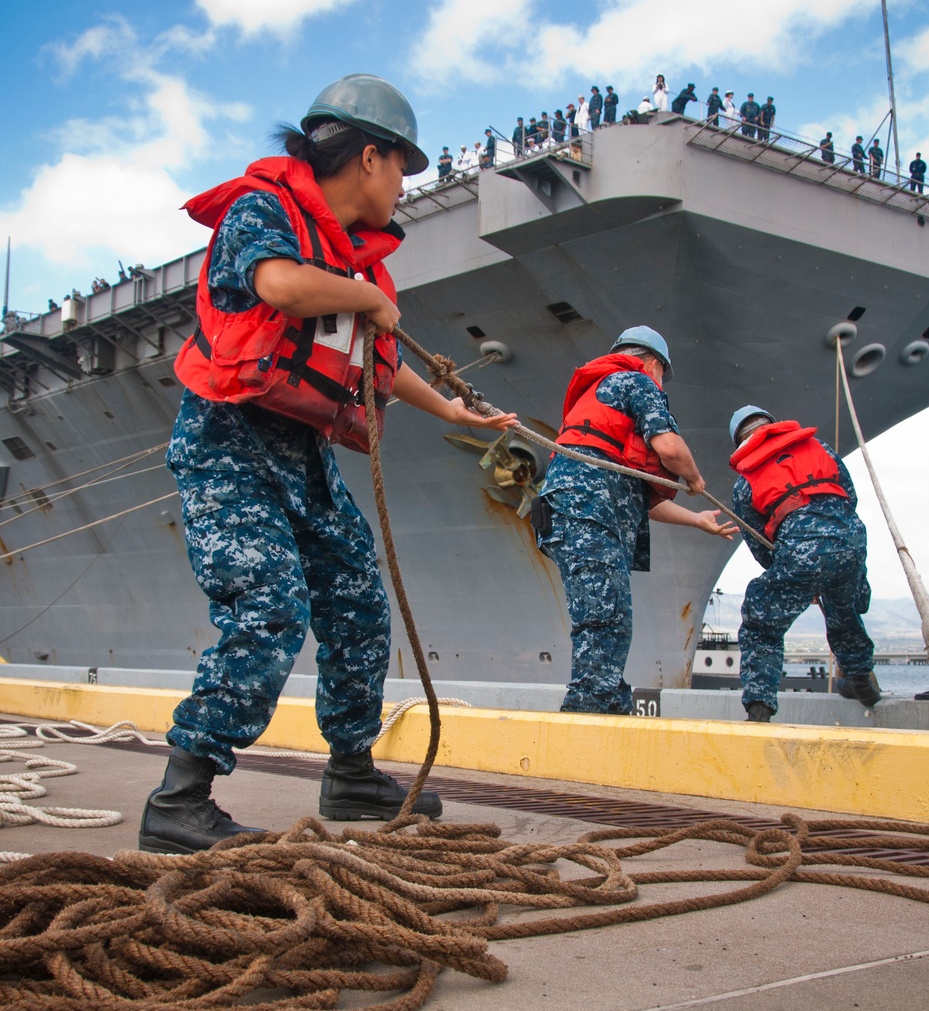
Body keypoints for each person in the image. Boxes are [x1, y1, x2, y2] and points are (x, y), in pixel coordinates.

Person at [137, 74, 518, 854]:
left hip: (303, 459)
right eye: (402, 168)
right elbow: (276, 283)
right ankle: (180, 798)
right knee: (270, 607)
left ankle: (350, 772)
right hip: (229, 447)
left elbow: (376, 364)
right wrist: (363, 294)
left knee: (358, 603)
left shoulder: (355, 265)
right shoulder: (263, 211)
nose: (405, 187)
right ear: (369, 156)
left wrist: (452, 409)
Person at [532, 327, 734, 715]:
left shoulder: (602, 397)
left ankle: (605, 701)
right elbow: (670, 448)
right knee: (605, 616)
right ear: (654, 364)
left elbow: (644, 503)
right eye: (662, 375)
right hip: (587, 513)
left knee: (608, 614)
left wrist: (697, 520)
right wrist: (692, 477)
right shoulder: (636, 380)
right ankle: (591, 712)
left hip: (578, 513)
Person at [728, 405, 878, 723]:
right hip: (850, 537)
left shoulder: (745, 481)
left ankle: (759, 706)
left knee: (761, 623)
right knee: (844, 613)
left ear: (739, 442)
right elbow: (848, 494)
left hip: (800, 545)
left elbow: (758, 543)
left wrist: (792, 571)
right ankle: (861, 681)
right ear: (773, 425)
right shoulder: (817, 447)